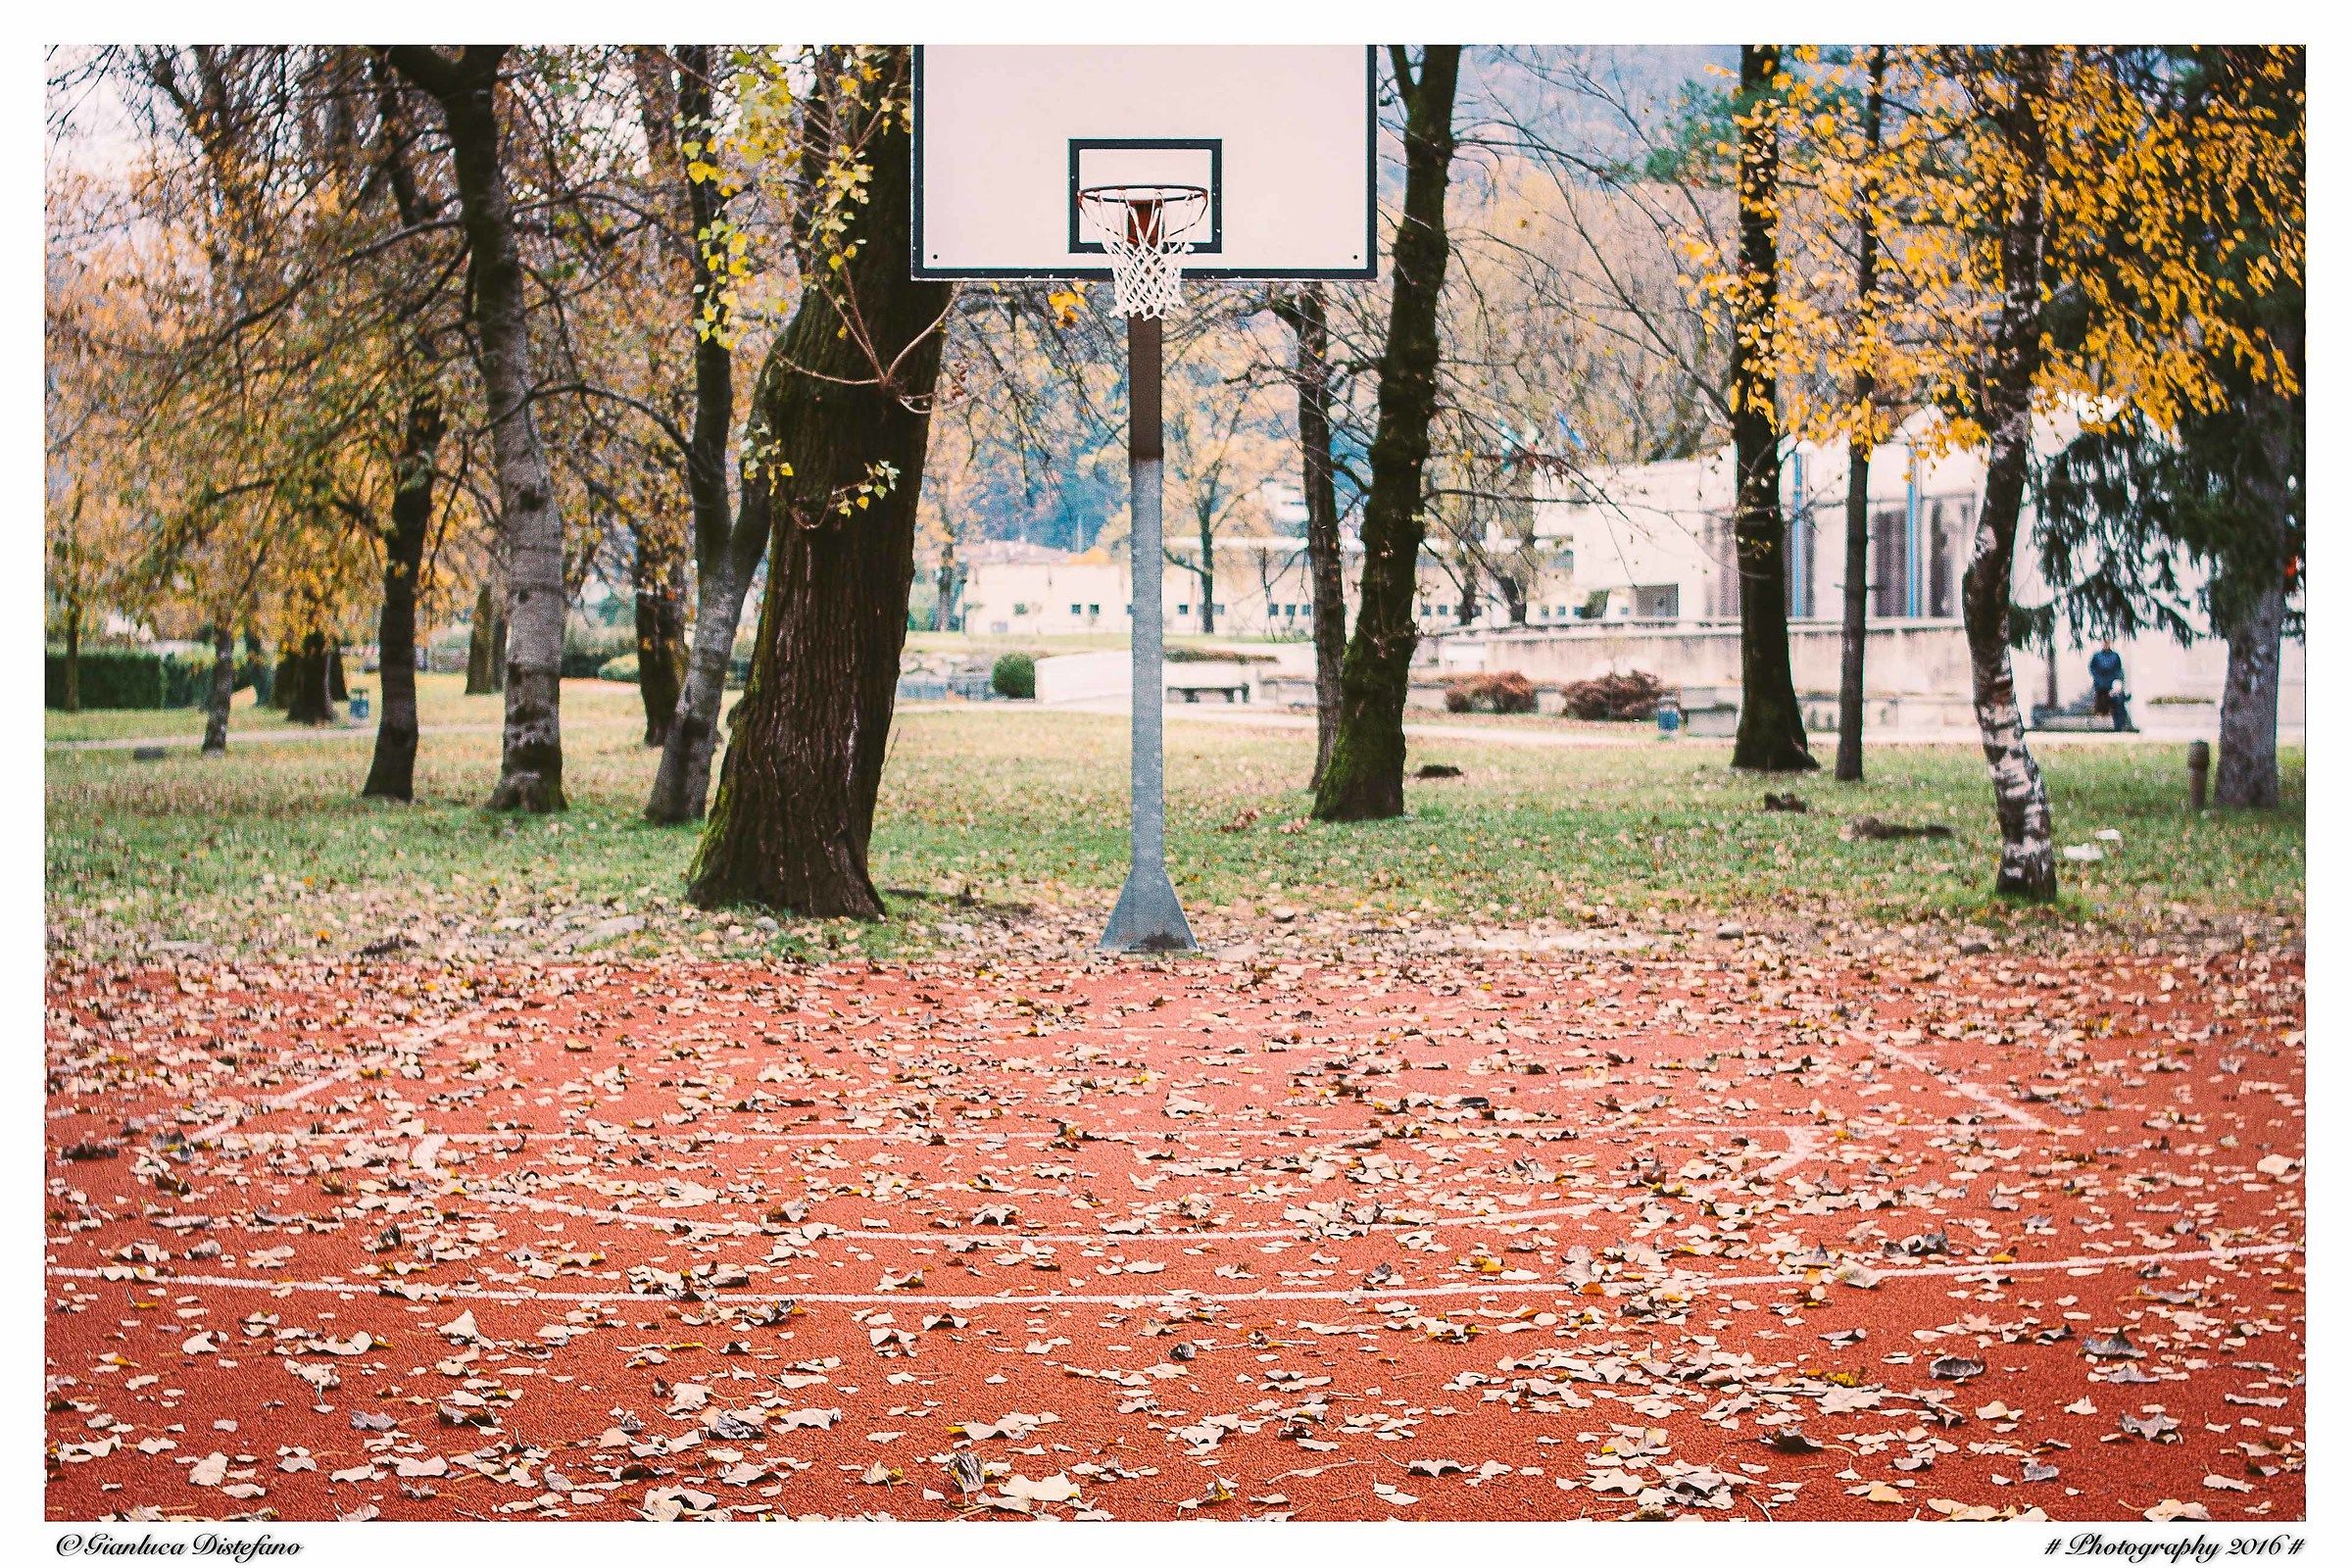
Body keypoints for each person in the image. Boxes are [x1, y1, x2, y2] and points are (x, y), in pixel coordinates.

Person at [2088, 641, 2134, 732]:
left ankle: (2119, 726)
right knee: (2101, 707)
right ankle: (2101, 728)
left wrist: (2116, 682)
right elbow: (2092, 668)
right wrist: (2098, 680)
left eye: (2108, 642)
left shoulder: (2115, 656)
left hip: (2112, 685)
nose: (2106, 644)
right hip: (2100, 686)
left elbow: (2118, 669)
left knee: (2117, 705)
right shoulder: (2097, 656)